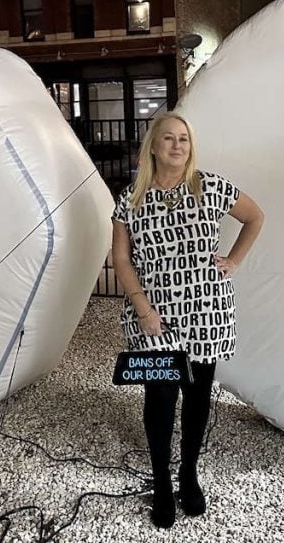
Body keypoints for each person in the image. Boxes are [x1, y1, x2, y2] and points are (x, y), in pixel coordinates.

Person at [111, 112, 264, 529]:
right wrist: (142, 308)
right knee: (159, 398)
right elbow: (121, 260)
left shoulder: (211, 186)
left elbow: (255, 217)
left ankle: (188, 473)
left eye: (184, 139)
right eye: (169, 138)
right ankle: (161, 480)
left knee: (197, 399)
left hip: (206, 312)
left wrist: (233, 260)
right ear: (154, 147)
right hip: (152, 319)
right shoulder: (130, 199)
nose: (178, 145)